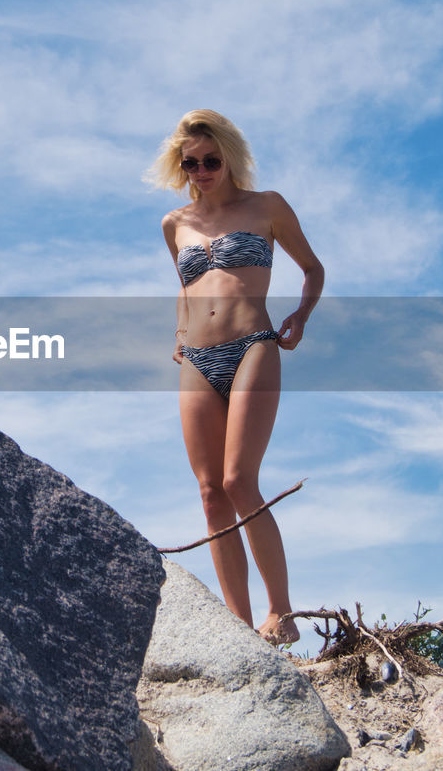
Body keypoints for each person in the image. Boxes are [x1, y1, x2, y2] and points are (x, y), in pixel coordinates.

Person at [149, 109, 324, 644]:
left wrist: (301, 315)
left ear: (229, 157)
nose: (201, 171)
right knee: (209, 493)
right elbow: (187, 286)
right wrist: (180, 331)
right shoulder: (174, 224)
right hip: (197, 360)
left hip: (254, 346)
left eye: (211, 161)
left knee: (238, 481)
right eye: (191, 164)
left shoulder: (266, 207)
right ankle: (240, 629)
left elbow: (313, 268)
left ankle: (282, 613)